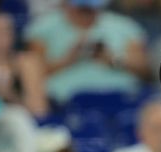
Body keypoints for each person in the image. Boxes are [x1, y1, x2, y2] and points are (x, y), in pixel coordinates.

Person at [24, 0, 152, 105]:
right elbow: (31, 74)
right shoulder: (43, 28)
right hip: (64, 103)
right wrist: (68, 60)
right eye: (81, 8)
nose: (86, 13)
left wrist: (113, 59)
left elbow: (146, 71)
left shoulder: (125, 26)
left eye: (90, 8)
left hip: (122, 99)